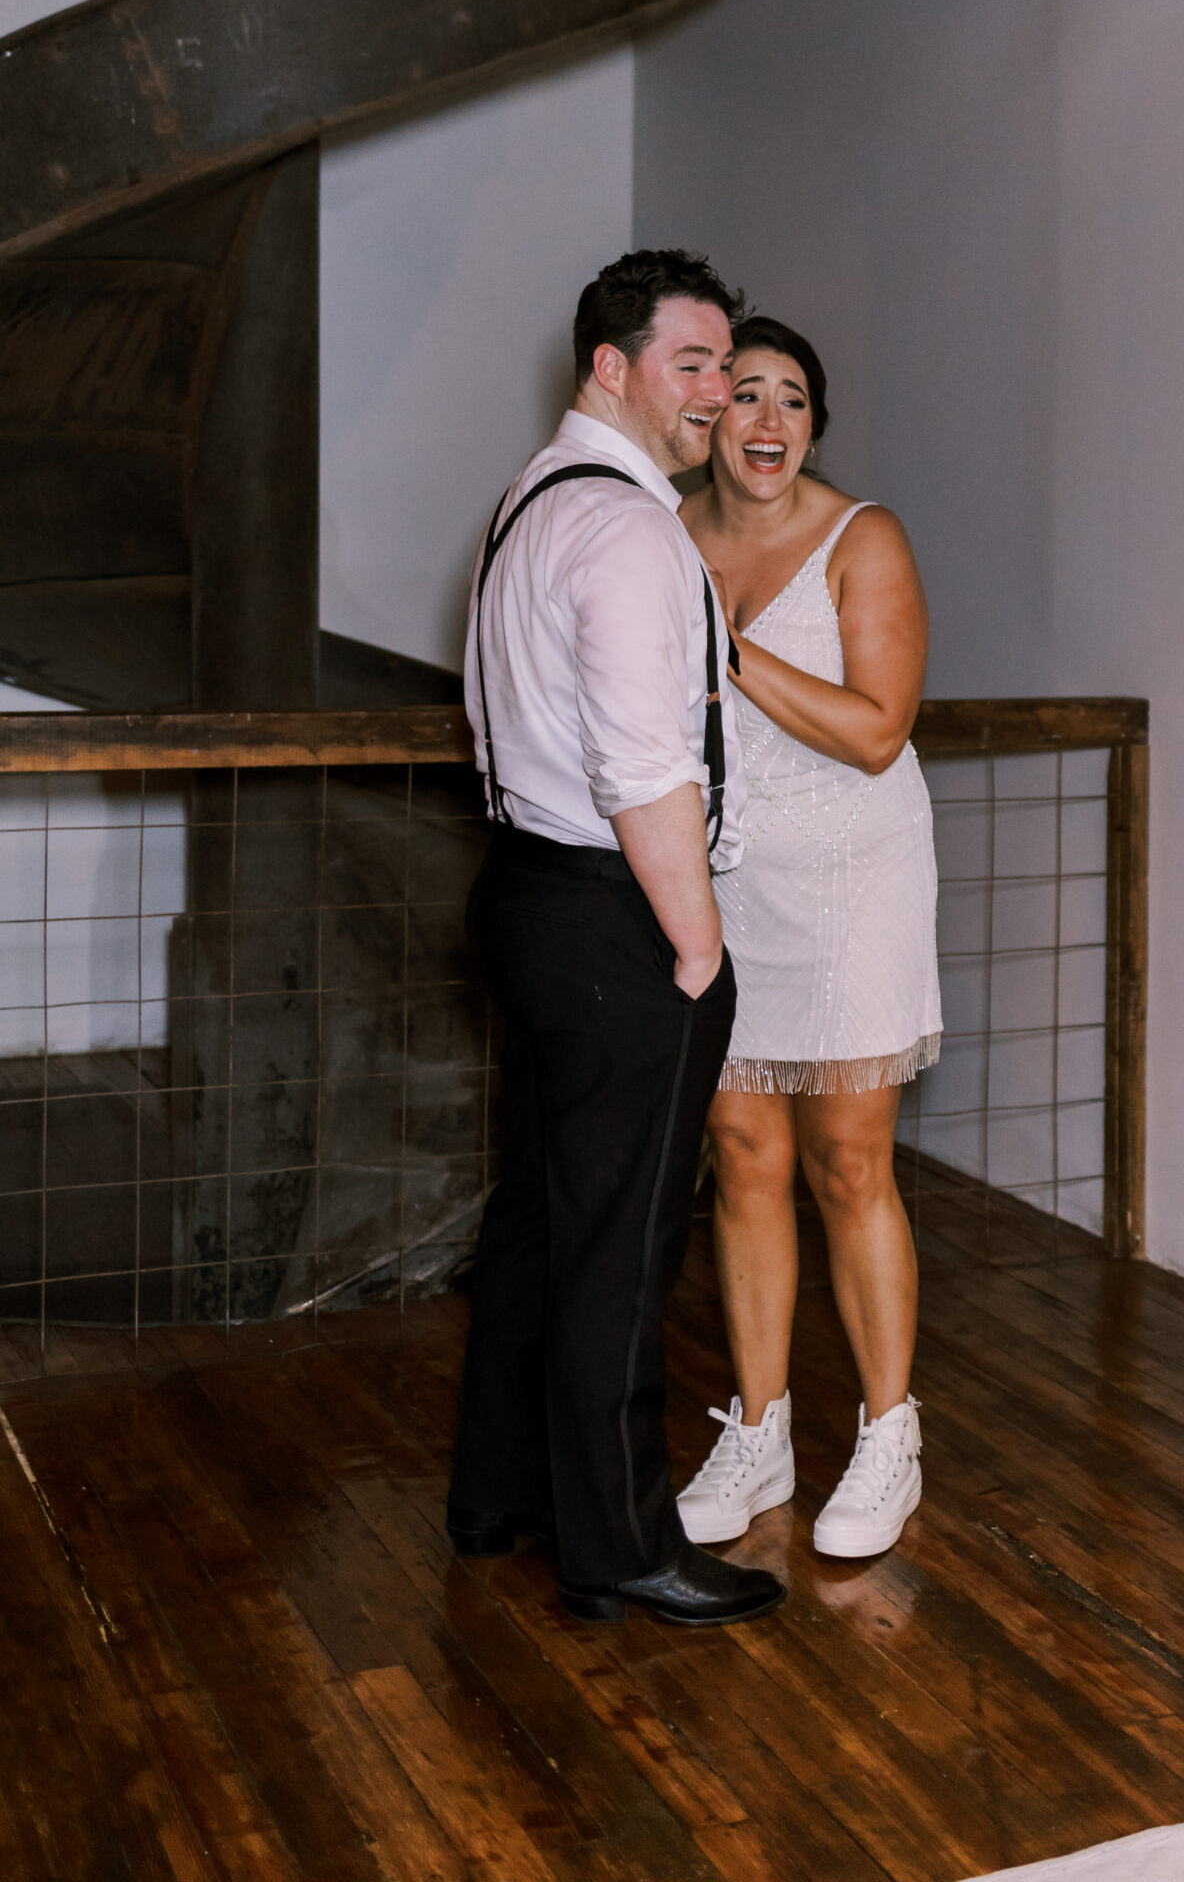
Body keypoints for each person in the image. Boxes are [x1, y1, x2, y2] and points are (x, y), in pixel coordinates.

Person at [445, 249, 784, 1629]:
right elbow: (648, 770)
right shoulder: (634, 531)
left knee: (536, 1221)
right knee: (620, 1245)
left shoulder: (533, 495)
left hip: (523, 888)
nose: (712, 392)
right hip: (607, 911)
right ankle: (621, 1543)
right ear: (612, 365)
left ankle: (499, 1497)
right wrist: (695, 956)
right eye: (690, 364)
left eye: (722, 364)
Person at [677, 315, 940, 1560]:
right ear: (708, 418)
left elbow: (879, 727)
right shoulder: (665, 534)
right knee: (740, 1153)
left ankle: (888, 1433)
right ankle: (763, 1424)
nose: (769, 420)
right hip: (723, 878)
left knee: (847, 1160)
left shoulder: (862, 536)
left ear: (815, 424)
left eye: (792, 399)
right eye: (744, 396)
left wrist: (725, 656)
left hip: (852, 875)